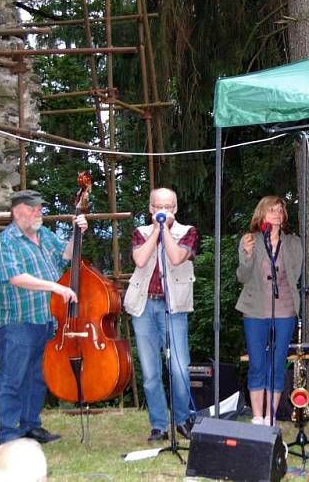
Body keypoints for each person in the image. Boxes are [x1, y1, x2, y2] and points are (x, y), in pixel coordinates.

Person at [0, 189, 88, 445]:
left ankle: (31, 426)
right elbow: (16, 278)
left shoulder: (44, 235)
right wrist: (55, 287)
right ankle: (8, 434)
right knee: (12, 378)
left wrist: (77, 233)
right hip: (19, 322)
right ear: (16, 211)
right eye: (32, 208)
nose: (38, 212)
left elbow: (66, 256)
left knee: (37, 376)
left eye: (39, 208)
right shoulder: (6, 241)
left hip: (48, 320)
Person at [123, 188, 197, 442]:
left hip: (174, 308)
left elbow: (177, 257)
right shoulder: (141, 233)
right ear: (151, 209)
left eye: (168, 206)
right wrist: (155, 230)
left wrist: (165, 231)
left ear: (175, 209)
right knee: (151, 372)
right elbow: (140, 260)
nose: (163, 210)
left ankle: (182, 418)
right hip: (144, 308)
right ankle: (159, 425)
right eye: (158, 206)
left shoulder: (188, 232)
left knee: (179, 369)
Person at [237, 196, 303, 425]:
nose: (276, 214)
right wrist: (246, 256)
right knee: (257, 363)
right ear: (261, 214)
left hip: (284, 308)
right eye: (271, 210)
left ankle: (271, 416)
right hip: (255, 309)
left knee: (277, 362)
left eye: (280, 210)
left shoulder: (293, 242)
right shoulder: (250, 240)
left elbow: (294, 275)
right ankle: (257, 416)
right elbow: (242, 276)